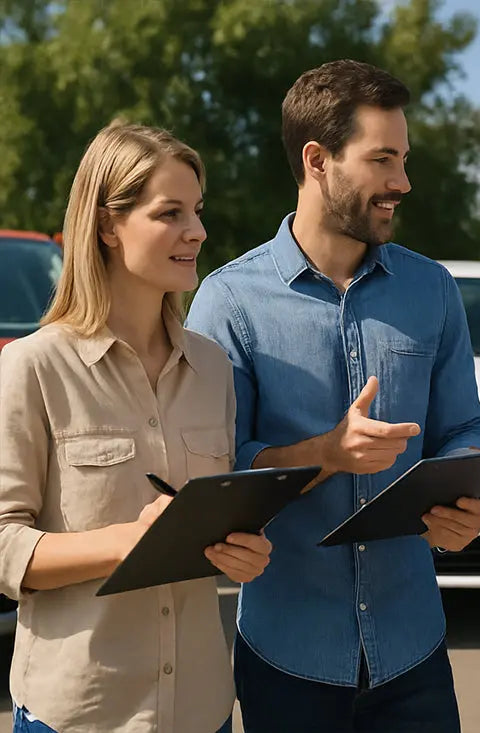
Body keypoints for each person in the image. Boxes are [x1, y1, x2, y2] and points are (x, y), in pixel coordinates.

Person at [186, 60, 480, 732]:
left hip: (414, 649)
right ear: (317, 160)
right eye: (382, 159)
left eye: (403, 159)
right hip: (288, 659)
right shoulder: (228, 302)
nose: (402, 183)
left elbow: (465, 428)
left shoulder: (432, 290)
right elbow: (215, 477)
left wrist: (463, 499)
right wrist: (326, 453)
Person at [0, 123, 273, 733]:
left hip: (204, 710)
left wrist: (239, 554)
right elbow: (3, 545)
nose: (197, 231)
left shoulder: (212, 368)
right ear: (106, 226)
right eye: (169, 213)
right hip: (80, 714)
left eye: (196, 211)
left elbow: (214, 523)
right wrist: (130, 541)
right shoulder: (32, 367)